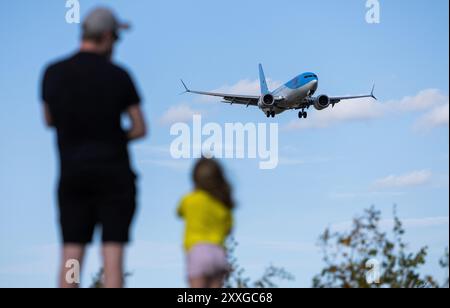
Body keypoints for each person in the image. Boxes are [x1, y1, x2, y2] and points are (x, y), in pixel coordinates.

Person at [41, 7, 147, 288]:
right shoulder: (119, 75)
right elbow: (139, 127)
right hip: (114, 177)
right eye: (116, 39)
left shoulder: (53, 73)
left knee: (72, 253)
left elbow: (49, 119)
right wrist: (112, 136)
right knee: (112, 257)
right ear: (106, 36)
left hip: (73, 175)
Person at [177, 158, 234, 288]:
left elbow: (179, 212)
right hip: (218, 252)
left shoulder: (190, 199)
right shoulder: (222, 203)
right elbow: (229, 229)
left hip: (197, 251)